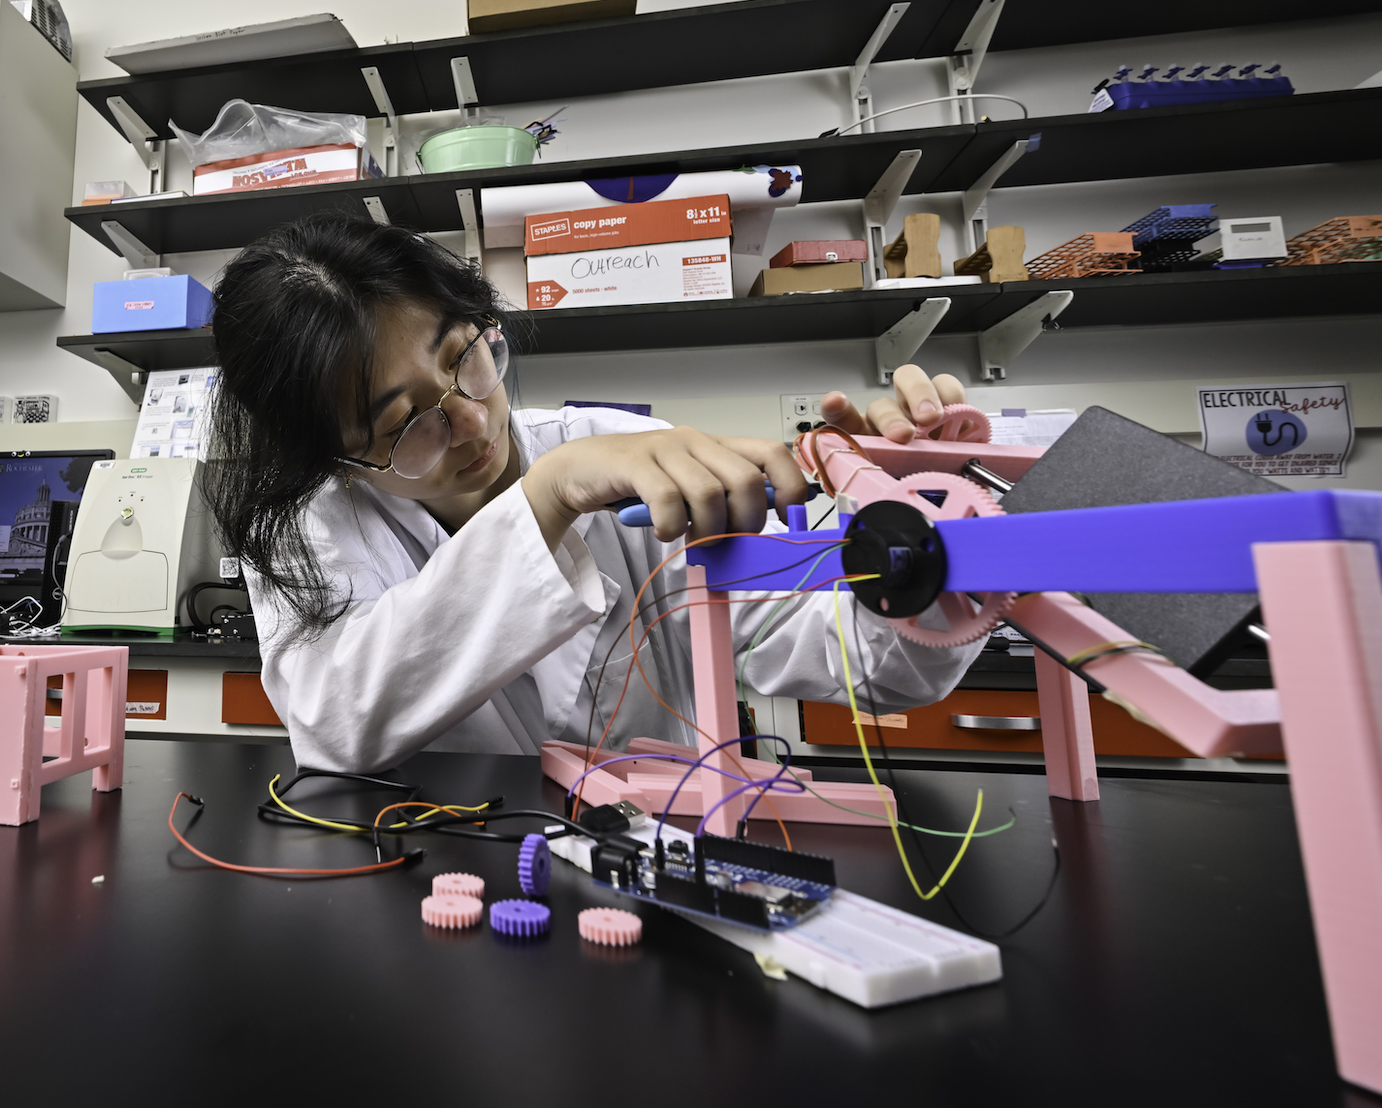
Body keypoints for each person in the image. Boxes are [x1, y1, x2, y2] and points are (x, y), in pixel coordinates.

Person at [204, 215, 983, 773]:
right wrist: (544, 499)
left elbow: (867, 664)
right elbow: (338, 721)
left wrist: (934, 526)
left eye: (464, 356)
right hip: (439, 889)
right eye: (406, 424)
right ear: (335, 459)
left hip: (664, 872)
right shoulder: (311, 524)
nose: (474, 418)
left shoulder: (621, 451)